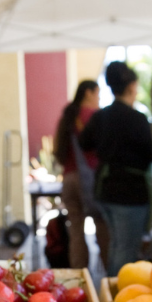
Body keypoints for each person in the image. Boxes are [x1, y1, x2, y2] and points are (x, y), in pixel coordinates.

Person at [80, 62, 152, 275]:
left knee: (115, 245)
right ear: (132, 86)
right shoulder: (138, 119)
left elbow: (85, 142)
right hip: (129, 193)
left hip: (104, 189)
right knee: (125, 250)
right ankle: (115, 298)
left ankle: (110, 291)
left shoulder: (100, 116)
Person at [52, 80, 109, 269]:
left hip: (68, 179)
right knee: (102, 229)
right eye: (97, 94)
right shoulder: (94, 116)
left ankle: (79, 277)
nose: (98, 99)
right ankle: (107, 276)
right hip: (91, 181)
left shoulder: (67, 116)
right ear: (88, 93)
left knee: (76, 232)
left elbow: (58, 151)